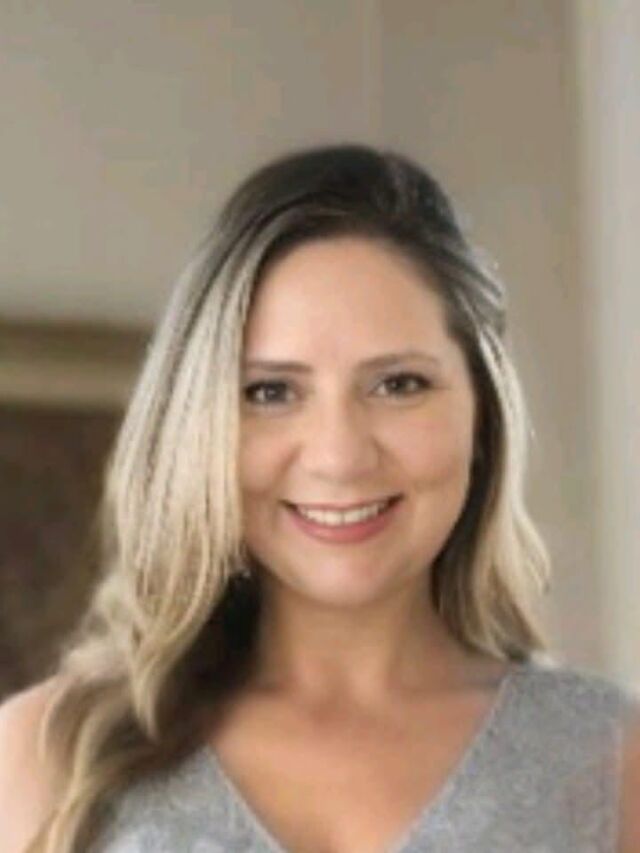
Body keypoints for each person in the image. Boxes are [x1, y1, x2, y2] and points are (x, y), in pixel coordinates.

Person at [0, 143, 639, 853]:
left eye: (398, 384)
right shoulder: (42, 760)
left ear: (482, 414)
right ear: (198, 425)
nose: (339, 457)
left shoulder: (610, 759)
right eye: (271, 392)